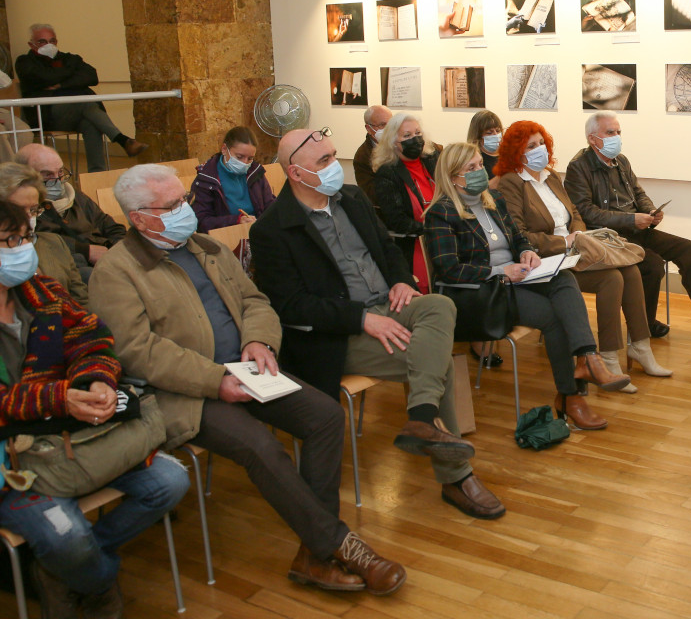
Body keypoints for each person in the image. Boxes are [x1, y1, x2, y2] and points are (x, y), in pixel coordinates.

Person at [89, 164, 406, 595]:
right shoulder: (116, 272)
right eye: (172, 206)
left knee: (326, 416)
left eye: (184, 199)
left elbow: (256, 301)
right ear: (140, 217)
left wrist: (260, 342)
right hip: (184, 394)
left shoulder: (205, 248)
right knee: (259, 444)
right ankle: (338, 545)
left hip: (249, 370)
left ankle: (315, 552)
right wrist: (214, 378)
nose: (186, 209)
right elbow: (138, 352)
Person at [250, 128, 506, 520]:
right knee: (433, 362)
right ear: (297, 174)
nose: (336, 166)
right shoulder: (270, 229)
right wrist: (362, 319)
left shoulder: (351, 199)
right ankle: (455, 477)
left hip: (388, 304)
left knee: (438, 305)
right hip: (336, 335)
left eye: (335, 156)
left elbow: (388, 249)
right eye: (324, 162)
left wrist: (402, 280)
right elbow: (292, 306)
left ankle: (421, 418)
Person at [0, 198, 188, 619]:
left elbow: (90, 335)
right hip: (13, 464)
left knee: (171, 482)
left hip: (73, 436)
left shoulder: (39, 290)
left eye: (25, 237)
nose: (21, 249)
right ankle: (95, 579)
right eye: (9, 240)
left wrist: (96, 381)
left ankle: (62, 573)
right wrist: (58, 397)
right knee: (67, 539)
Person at [426, 142, 631, 430]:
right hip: (483, 294)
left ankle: (588, 358)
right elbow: (449, 269)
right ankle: (572, 396)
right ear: (452, 177)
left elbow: (518, 237)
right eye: (470, 169)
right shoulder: (441, 214)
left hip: (516, 279)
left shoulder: (493, 200)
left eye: (478, 166)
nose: (478, 172)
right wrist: (501, 271)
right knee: (553, 316)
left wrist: (526, 252)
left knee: (563, 277)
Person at [494, 120, 670, 382]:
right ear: (517, 151)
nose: (539, 149)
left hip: (575, 250)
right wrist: (562, 243)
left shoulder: (551, 177)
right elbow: (518, 234)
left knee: (631, 270)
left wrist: (575, 235)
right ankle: (608, 357)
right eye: (531, 146)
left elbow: (574, 212)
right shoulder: (511, 183)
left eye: (541, 143)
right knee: (612, 278)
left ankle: (640, 347)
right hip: (545, 260)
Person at [565, 111, 691, 342]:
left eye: (618, 132)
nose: (617, 137)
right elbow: (586, 212)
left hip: (636, 229)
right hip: (609, 237)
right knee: (651, 265)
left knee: (690, 249)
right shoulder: (578, 168)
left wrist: (650, 211)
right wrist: (631, 219)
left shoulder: (621, 161)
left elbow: (638, 192)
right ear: (592, 139)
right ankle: (645, 324)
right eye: (610, 132)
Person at [13, 24, 147, 172]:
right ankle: (123, 140)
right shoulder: (24, 62)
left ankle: (97, 173)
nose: (49, 45)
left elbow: (91, 76)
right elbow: (45, 77)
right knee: (85, 103)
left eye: (52, 41)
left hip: (73, 115)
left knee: (91, 123)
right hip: (44, 114)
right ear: (31, 44)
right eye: (43, 42)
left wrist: (60, 85)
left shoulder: (68, 58)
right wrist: (71, 71)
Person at [17, 143, 126, 280]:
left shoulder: (76, 196)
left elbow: (110, 226)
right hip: (73, 265)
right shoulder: (26, 208)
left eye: (60, 172)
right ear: (26, 175)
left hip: (107, 255)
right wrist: (85, 250)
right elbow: (39, 241)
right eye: (48, 175)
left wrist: (118, 251)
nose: (58, 180)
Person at [0, 162, 90, 307]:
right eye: (18, 210)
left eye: (34, 209)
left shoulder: (55, 243)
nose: (28, 217)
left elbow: (82, 303)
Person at [370, 111, 443, 278]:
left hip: (447, 234)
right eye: (407, 135)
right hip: (417, 240)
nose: (415, 139)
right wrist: (431, 229)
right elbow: (397, 221)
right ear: (393, 142)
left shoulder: (432, 159)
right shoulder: (387, 173)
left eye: (418, 133)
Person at [190, 126, 277, 232]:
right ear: (224, 149)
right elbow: (201, 222)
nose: (244, 163)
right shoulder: (206, 179)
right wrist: (236, 221)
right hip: (225, 238)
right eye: (239, 157)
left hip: (257, 233)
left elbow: (270, 205)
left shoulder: (255, 172)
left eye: (250, 158)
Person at [353, 105, 391, 202]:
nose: (388, 129)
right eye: (382, 125)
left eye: (391, 124)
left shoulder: (401, 142)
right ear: (369, 128)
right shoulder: (362, 156)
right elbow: (370, 193)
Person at [465, 109, 504, 188]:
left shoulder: (506, 155)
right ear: (477, 136)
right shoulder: (473, 160)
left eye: (498, 131)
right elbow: (479, 189)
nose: (495, 135)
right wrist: (503, 173)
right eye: (489, 133)